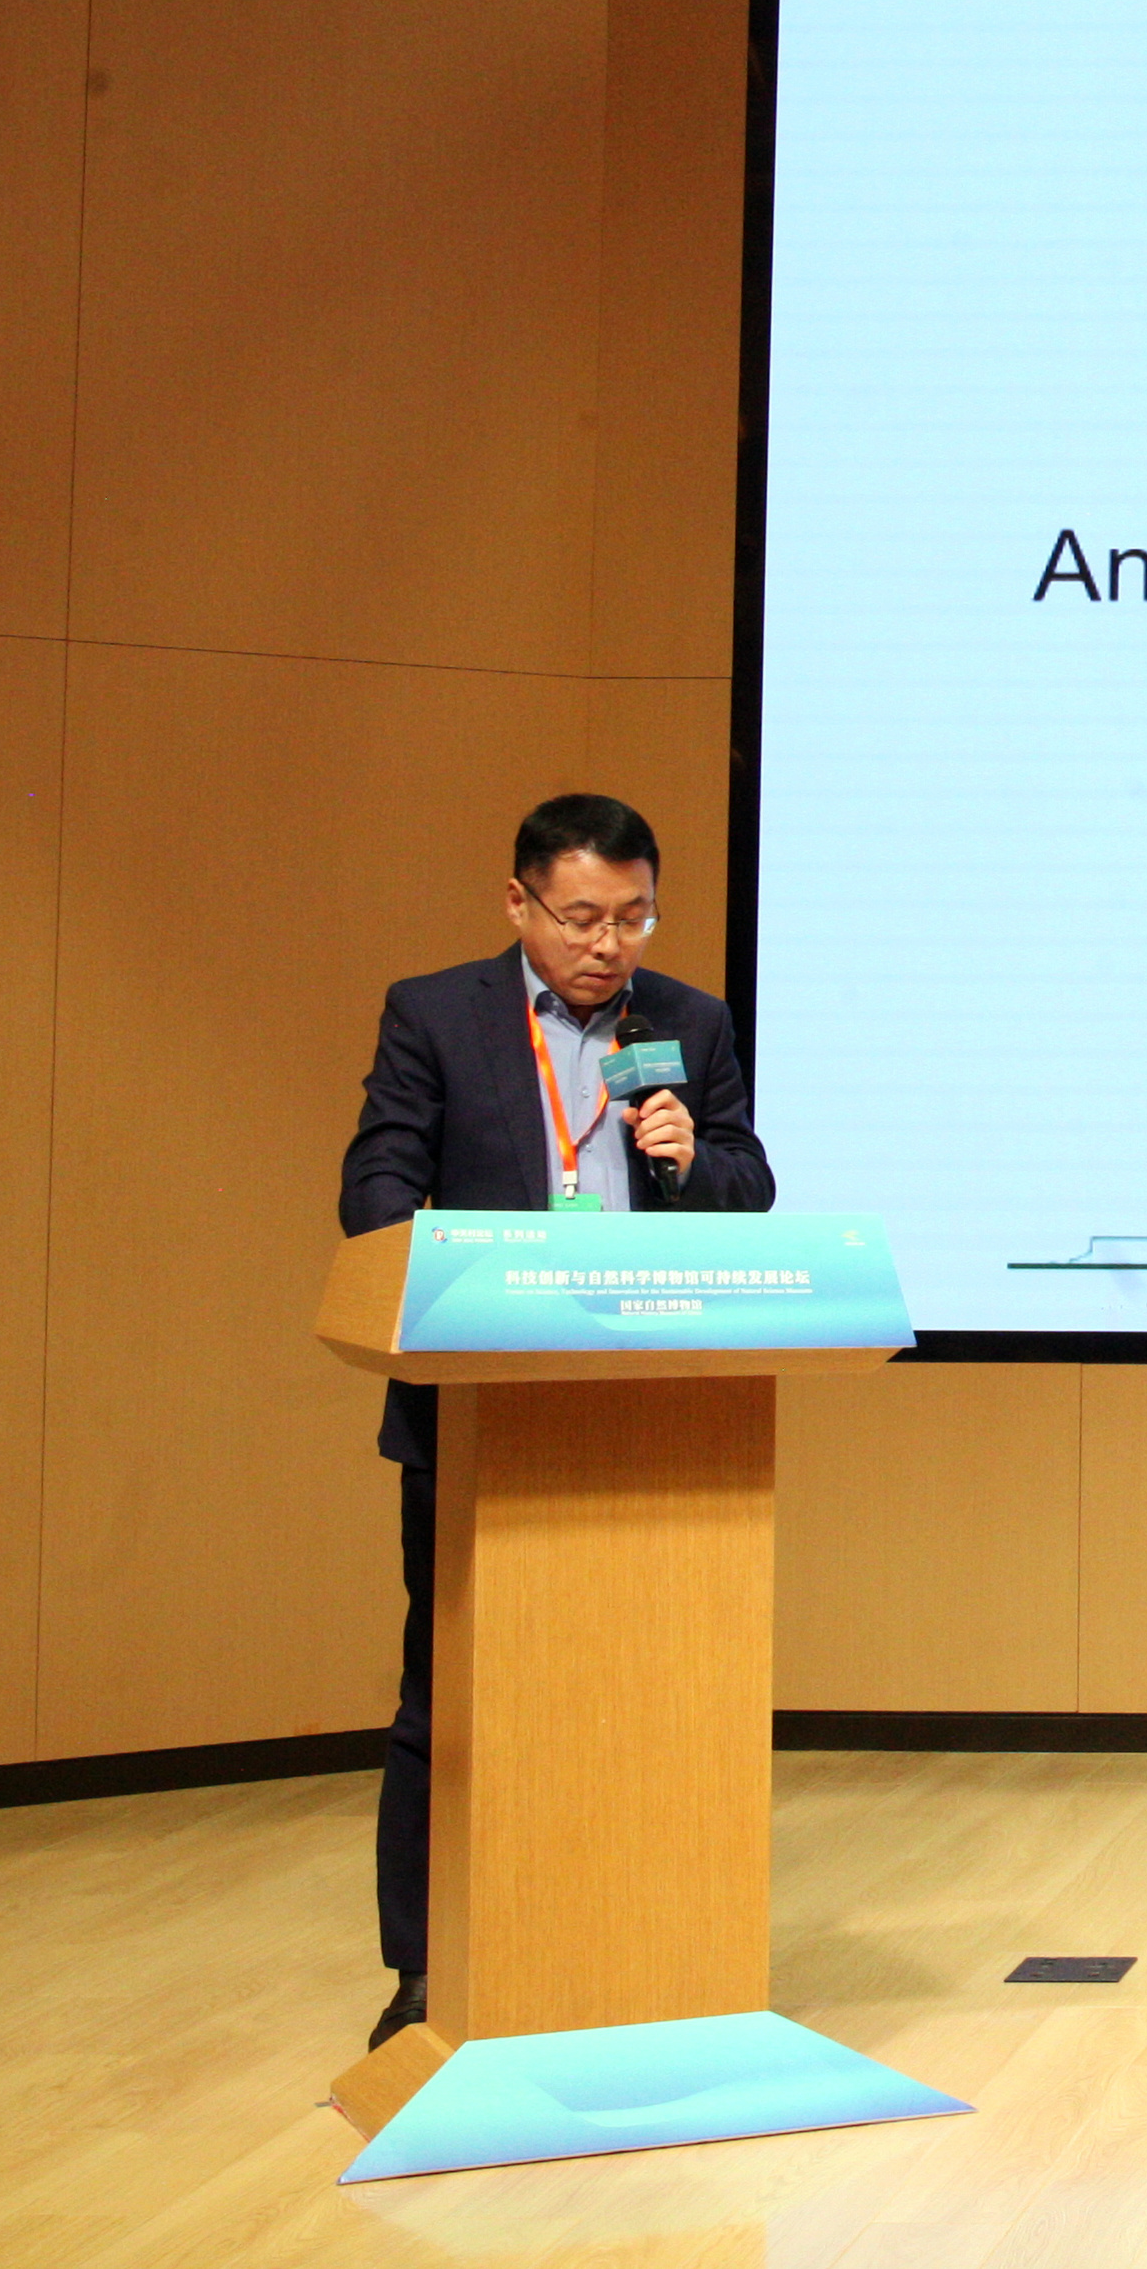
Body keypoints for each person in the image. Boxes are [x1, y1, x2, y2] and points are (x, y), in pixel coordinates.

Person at [335, 793, 773, 2049]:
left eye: (633, 916)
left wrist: (689, 1159)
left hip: (651, 1418)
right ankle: (429, 1972)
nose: (607, 943)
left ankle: (636, 1949)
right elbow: (377, 1183)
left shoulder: (686, 1021)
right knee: (451, 1698)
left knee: (648, 1693)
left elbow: (748, 1184)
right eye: (582, 916)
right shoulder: (438, 1014)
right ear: (519, 901)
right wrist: (446, 1260)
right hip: (481, 1408)